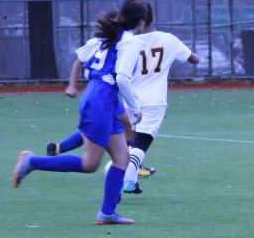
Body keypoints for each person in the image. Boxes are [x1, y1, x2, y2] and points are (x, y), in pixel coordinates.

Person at [11, 0, 152, 225]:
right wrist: (135, 109)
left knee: (121, 157)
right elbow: (123, 78)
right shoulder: (129, 41)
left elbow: (92, 66)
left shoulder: (109, 38)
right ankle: (32, 162)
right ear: (142, 21)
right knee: (90, 164)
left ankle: (107, 213)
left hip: (102, 97)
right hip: (100, 100)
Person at [46, 26, 199, 195]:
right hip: (121, 96)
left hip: (112, 95)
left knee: (109, 131)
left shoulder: (115, 42)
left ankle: (128, 176)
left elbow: (80, 61)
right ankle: (125, 172)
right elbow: (119, 76)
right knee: (127, 142)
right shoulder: (131, 42)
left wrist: (72, 85)